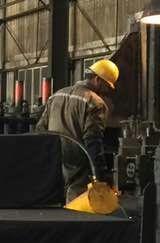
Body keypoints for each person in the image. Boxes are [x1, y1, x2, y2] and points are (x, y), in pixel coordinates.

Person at [36, 58, 118, 202]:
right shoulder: (95, 103)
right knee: (77, 207)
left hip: (55, 164)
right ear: (97, 79)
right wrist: (101, 177)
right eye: (107, 86)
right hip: (78, 168)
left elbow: (40, 129)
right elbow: (93, 141)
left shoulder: (57, 95)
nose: (108, 91)